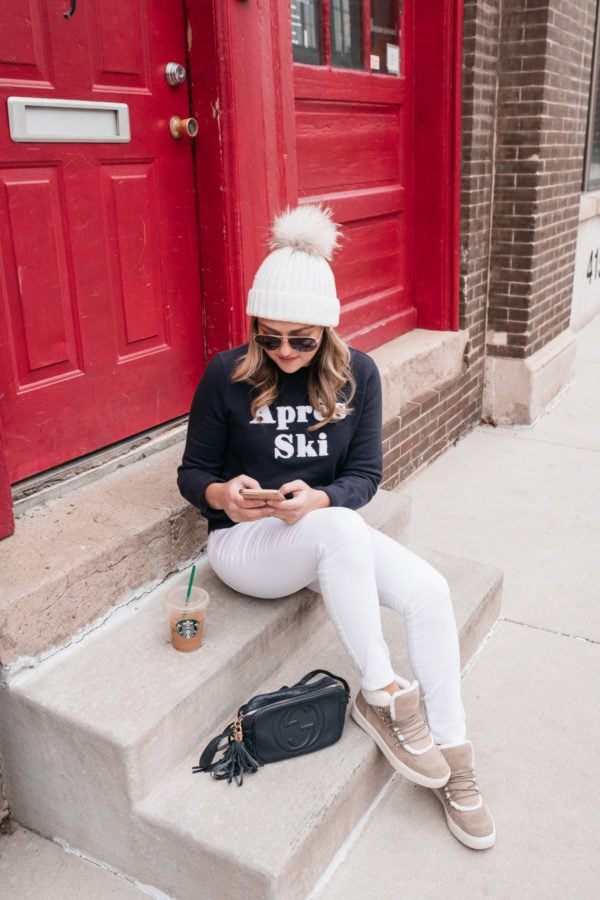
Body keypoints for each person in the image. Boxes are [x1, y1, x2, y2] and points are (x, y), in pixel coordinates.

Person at [177, 205, 495, 850]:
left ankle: (455, 758)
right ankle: (380, 693)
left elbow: (366, 478)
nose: (285, 352)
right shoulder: (225, 375)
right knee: (341, 530)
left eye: (301, 339)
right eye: (269, 338)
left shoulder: (360, 377)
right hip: (245, 547)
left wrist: (318, 500)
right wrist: (221, 493)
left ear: (327, 330)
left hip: (318, 534)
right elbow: (192, 473)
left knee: (429, 591)